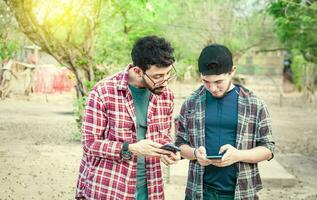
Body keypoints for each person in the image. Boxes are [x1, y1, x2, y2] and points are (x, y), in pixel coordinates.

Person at [75, 35, 181, 200]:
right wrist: (130, 148)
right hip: (109, 188)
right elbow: (89, 144)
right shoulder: (103, 92)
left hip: (151, 188)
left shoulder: (166, 96)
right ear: (138, 71)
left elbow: (164, 137)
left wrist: (168, 152)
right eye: (158, 76)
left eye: (167, 74)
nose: (165, 82)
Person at [175, 44, 275, 200]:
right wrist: (195, 154)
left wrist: (238, 155)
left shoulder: (255, 104)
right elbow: (179, 144)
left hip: (241, 192)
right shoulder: (190, 103)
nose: (212, 88)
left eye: (218, 81)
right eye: (206, 81)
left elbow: (268, 148)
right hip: (199, 192)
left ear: (232, 71)